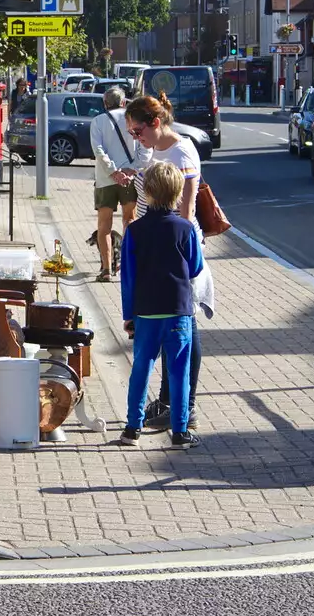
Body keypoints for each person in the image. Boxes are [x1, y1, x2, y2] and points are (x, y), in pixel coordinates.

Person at [125, 91, 213, 430]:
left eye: (138, 131)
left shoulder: (182, 151)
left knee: (184, 332)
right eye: (132, 132)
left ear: (156, 123)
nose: (136, 138)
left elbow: (186, 211)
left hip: (172, 248)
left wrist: (162, 243)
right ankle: (167, 405)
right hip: (155, 241)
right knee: (170, 338)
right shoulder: (153, 148)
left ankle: (183, 407)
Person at [115, 161, 201, 450]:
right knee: (179, 372)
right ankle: (179, 432)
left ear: (146, 192)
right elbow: (195, 267)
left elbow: (127, 276)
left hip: (146, 311)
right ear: (177, 192)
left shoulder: (134, 231)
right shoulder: (185, 228)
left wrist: (129, 315)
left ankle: (132, 428)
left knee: (141, 367)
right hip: (178, 310)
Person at [89, 85, 150, 282]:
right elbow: (145, 149)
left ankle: (106, 269)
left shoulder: (97, 121)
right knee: (130, 222)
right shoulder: (132, 120)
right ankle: (127, 267)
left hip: (105, 179)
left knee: (104, 225)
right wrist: (130, 170)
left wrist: (114, 172)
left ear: (105, 103)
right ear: (123, 102)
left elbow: (98, 151)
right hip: (130, 179)